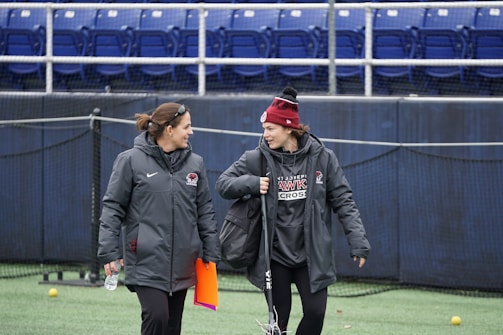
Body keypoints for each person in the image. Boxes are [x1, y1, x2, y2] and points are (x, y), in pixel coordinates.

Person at [215, 87, 371, 335]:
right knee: (279, 322)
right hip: (274, 256)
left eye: (270, 129)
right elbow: (223, 184)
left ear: (289, 128)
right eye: (264, 129)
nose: (265, 135)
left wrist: (358, 241)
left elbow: (343, 200)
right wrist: (252, 184)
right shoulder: (257, 159)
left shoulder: (323, 158)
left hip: (312, 255)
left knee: (316, 313)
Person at [97, 102, 220, 335]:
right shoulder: (129, 161)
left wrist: (211, 252)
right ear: (170, 129)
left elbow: (205, 210)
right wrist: (109, 252)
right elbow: (112, 208)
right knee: (157, 317)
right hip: (145, 260)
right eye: (187, 126)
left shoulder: (196, 164)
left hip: (184, 260)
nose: (191, 132)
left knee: (173, 327)